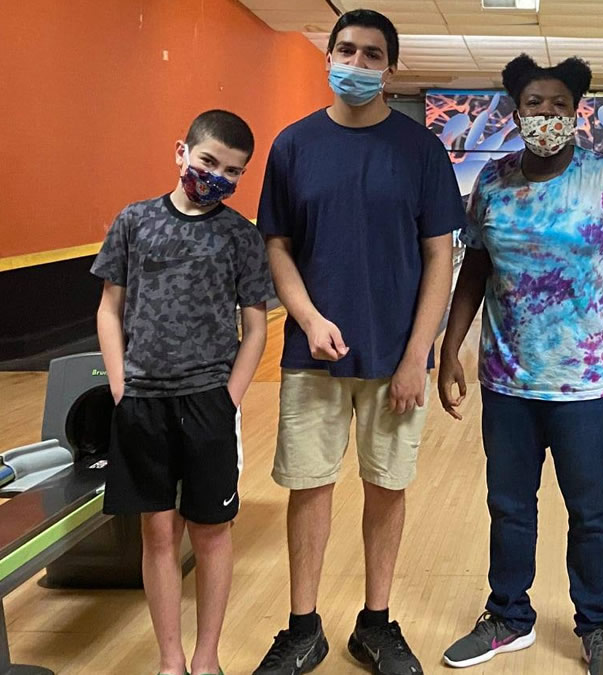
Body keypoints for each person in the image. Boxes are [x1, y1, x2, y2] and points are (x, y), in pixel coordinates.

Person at [437, 54, 603, 674]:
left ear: (575, 112)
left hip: (586, 378)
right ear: (516, 111)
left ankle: (599, 621)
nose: (547, 115)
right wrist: (449, 349)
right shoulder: (493, 183)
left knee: (590, 506)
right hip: (507, 377)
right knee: (509, 503)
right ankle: (507, 615)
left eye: (559, 105)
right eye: (535, 105)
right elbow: (474, 269)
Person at [251, 9, 463, 675]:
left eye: (373, 55)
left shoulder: (421, 151)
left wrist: (414, 356)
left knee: (386, 484)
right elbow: (277, 246)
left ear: (389, 69)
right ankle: (303, 627)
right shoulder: (293, 146)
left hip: (394, 354)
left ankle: (376, 622)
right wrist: (308, 318)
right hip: (311, 354)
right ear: (329, 56)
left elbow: (439, 258)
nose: (358, 63)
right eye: (346, 50)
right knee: (309, 485)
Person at [92, 109, 273, 675]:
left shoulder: (241, 236)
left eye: (233, 171)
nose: (218, 176)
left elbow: (257, 325)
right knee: (157, 530)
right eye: (208, 162)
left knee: (212, 532)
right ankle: (170, 659)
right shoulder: (134, 221)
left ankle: (206, 657)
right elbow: (109, 309)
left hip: (208, 402)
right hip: (142, 401)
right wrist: (121, 386)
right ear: (182, 152)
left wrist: (229, 398)